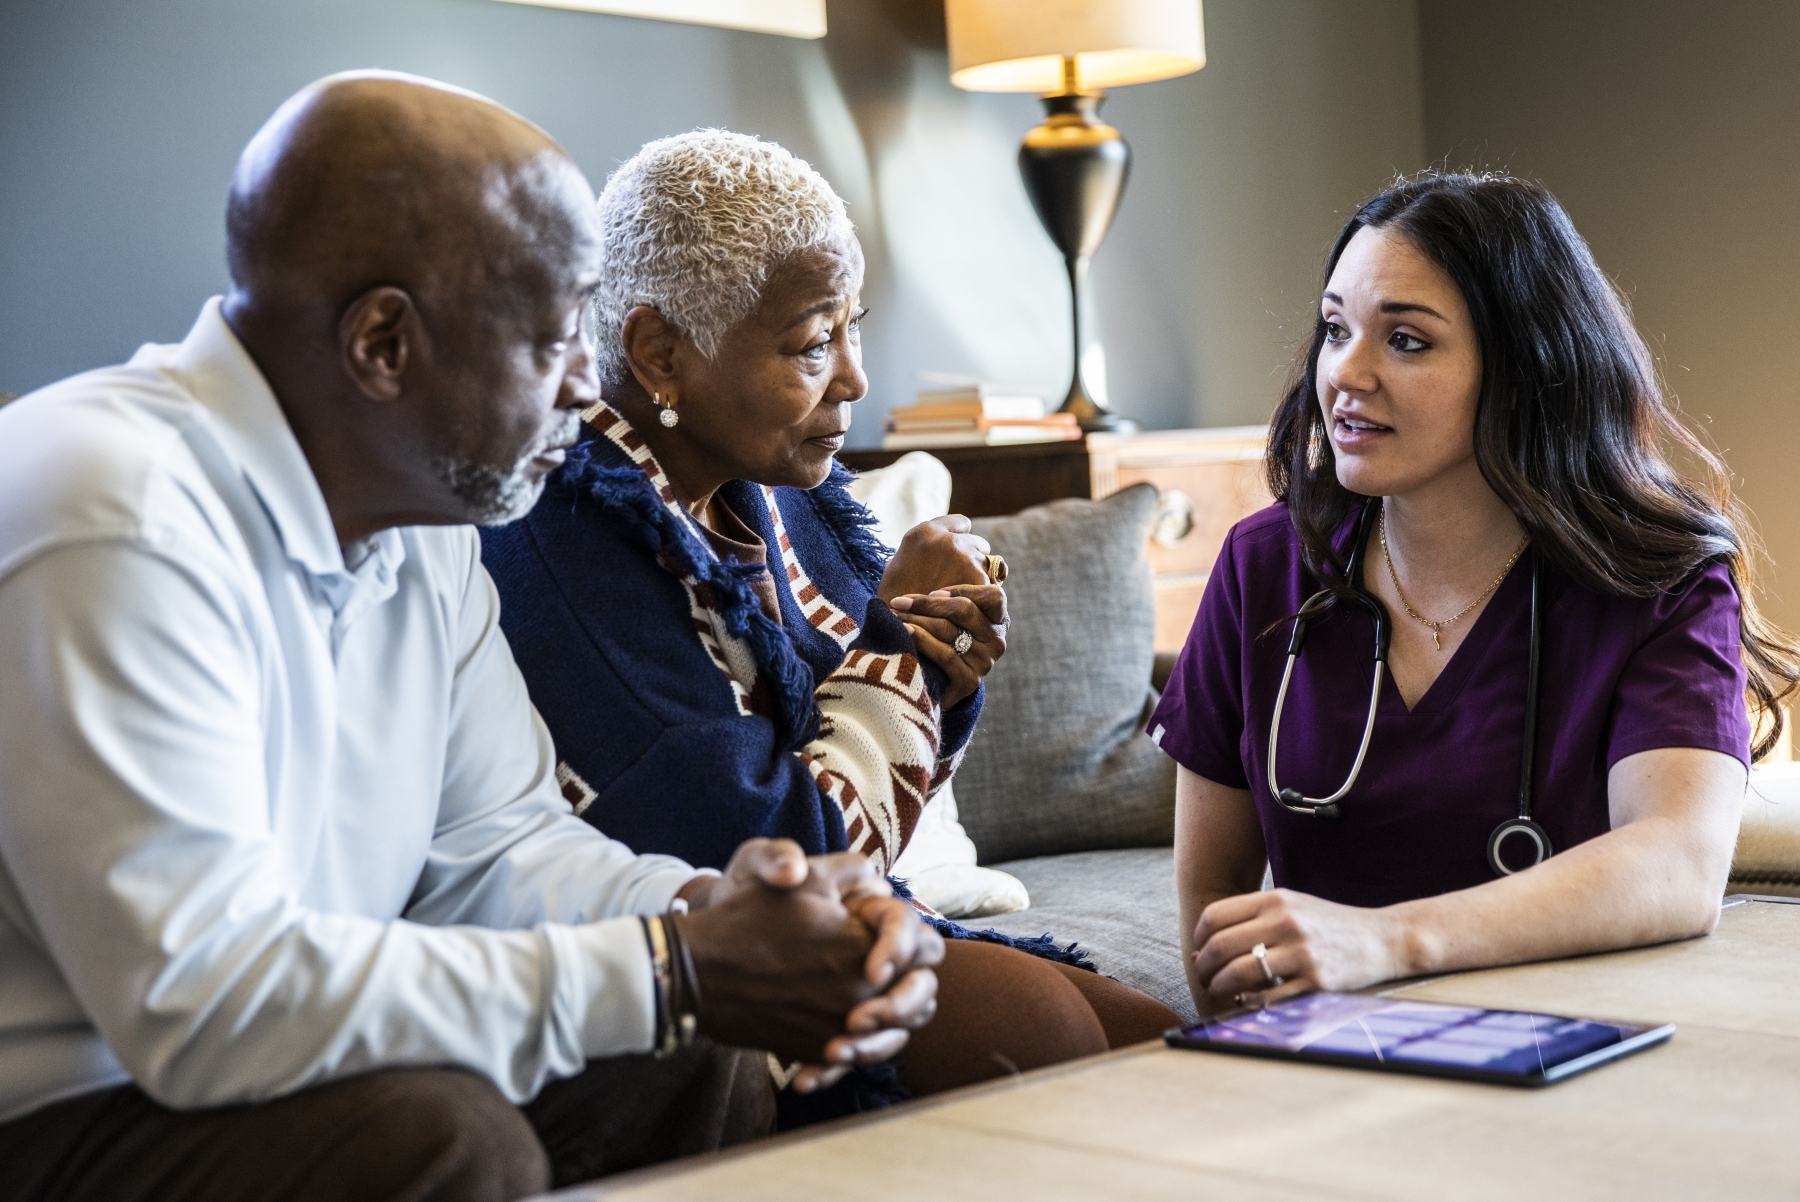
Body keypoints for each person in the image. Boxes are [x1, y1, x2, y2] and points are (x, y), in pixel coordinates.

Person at [0, 73, 947, 1202]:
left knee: (695, 1042)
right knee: (441, 1135)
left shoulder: (427, 525)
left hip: (251, 1055)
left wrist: (726, 919)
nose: (590, 384)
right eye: (551, 337)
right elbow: (204, 1001)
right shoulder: (113, 512)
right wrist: (672, 967)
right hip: (70, 1098)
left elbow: (499, 845)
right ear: (384, 344)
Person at [481, 129, 1181, 1104]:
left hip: (850, 907)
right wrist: (904, 656)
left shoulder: (775, 482)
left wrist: (943, 654)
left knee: (1181, 1043)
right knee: (1042, 1025)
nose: (854, 377)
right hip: (719, 953)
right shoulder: (568, 530)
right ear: (658, 353)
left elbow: (887, 767)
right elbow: (765, 843)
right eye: (814, 343)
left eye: (852, 327)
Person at [1152, 171, 1800, 1015]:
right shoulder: (1264, 565)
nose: (1347, 372)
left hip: (1575, 1042)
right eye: (1335, 328)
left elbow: (1677, 863)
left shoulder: (1659, 579)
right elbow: (1214, 918)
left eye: (1407, 341)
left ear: (1528, 365)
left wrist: (1389, 944)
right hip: (1325, 1055)